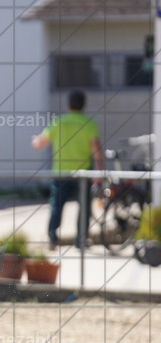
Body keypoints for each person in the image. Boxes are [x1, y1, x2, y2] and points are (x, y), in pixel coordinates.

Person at [32, 89, 103, 249]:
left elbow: (40, 143)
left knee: (57, 205)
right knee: (84, 206)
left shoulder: (58, 122)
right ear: (84, 105)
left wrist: (35, 141)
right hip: (83, 172)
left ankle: (52, 237)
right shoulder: (89, 124)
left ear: (68, 104)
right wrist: (100, 171)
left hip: (61, 172)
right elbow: (96, 148)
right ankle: (81, 239)